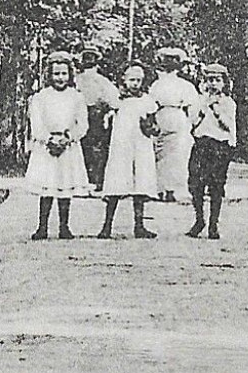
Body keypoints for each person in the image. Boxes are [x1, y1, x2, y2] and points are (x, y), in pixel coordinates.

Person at [24, 53, 91, 240]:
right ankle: (42, 227)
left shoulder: (76, 97)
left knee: (64, 186)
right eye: (56, 74)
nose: (60, 78)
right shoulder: (40, 97)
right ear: (49, 75)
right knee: (47, 185)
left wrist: (68, 138)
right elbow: (36, 123)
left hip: (68, 146)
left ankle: (64, 226)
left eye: (64, 73)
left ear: (70, 74)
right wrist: (48, 139)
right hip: (47, 147)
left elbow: (83, 124)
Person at [99, 63, 161, 239]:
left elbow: (154, 122)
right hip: (122, 146)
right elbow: (107, 117)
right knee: (116, 182)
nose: (135, 83)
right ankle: (107, 226)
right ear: (123, 79)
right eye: (132, 79)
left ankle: (139, 225)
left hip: (141, 145)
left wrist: (151, 126)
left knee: (140, 183)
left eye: (139, 80)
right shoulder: (117, 100)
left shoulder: (147, 101)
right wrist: (108, 117)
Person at [186, 63, 237, 240]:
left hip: (219, 146)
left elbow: (229, 126)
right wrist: (203, 108)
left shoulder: (228, 103)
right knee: (195, 183)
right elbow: (192, 122)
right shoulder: (200, 100)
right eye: (209, 80)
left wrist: (216, 110)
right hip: (201, 144)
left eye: (217, 80)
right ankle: (199, 219)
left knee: (216, 186)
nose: (213, 84)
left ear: (224, 83)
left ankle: (213, 224)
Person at [148, 47, 200, 203]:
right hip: (162, 117)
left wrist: (190, 123)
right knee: (161, 155)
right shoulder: (157, 84)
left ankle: (172, 189)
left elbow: (193, 107)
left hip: (176, 118)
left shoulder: (185, 85)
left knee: (176, 156)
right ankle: (161, 189)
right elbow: (151, 104)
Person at [75, 48, 119, 189]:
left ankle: (96, 180)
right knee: (80, 146)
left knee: (97, 149)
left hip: (96, 116)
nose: (89, 62)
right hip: (78, 115)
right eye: (86, 58)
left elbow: (114, 100)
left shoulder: (102, 81)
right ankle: (82, 180)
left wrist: (107, 112)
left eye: (91, 59)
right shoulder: (76, 80)